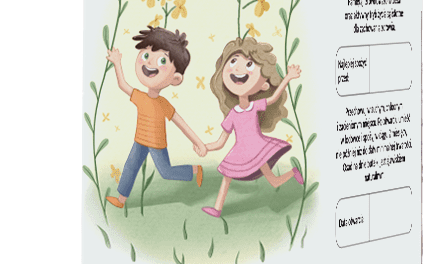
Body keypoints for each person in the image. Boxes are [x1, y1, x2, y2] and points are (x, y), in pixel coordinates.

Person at [199, 35, 303, 218]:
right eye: (233, 61)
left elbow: (273, 98)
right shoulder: (232, 114)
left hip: (258, 149)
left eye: (249, 65)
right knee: (227, 177)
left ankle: (293, 172)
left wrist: (288, 77)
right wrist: (205, 147)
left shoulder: (255, 106)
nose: (237, 69)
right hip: (240, 151)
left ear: (263, 85)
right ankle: (217, 209)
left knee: (274, 181)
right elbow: (220, 142)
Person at [104, 27, 206, 209]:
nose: (149, 63)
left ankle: (194, 170)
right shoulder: (140, 97)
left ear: (175, 79)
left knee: (166, 172)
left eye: (161, 60)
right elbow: (122, 84)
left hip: (157, 144)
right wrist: (117, 62)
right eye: (146, 55)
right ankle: (121, 200)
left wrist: (198, 142)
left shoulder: (163, 104)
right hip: (140, 141)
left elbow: (181, 124)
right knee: (130, 166)